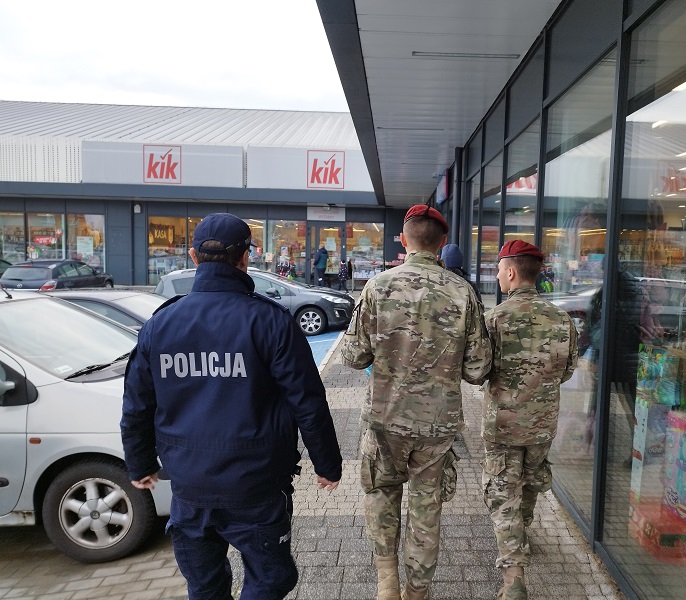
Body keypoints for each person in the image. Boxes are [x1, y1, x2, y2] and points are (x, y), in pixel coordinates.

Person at [121, 213, 343, 600]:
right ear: (245, 257)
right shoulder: (270, 321)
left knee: (205, 586)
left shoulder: (161, 324)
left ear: (194, 257)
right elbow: (307, 400)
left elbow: (137, 405)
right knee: (272, 578)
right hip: (257, 484)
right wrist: (326, 464)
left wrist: (139, 464)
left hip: (190, 485)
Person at [341, 204, 492, 600]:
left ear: (403, 239)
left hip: (385, 420)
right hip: (437, 426)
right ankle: (417, 591)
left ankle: (386, 581)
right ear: (442, 243)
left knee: (381, 494)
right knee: (427, 509)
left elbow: (353, 357)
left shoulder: (378, 287)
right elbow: (478, 369)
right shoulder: (463, 292)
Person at [480, 240, 578, 600]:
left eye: (498, 270)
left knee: (503, 492)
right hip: (542, 423)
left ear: (511, 272)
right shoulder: (562, 319)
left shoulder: (495, 319)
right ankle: (521, 536)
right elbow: (567, 371)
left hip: (502, 425)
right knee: (531, 482)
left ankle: (514, 578)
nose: (497, 276)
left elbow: (477, 371)